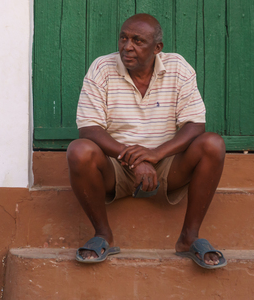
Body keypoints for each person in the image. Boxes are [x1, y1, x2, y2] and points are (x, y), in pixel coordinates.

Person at [67, 13, 226, 269]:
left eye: (138, 41)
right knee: (79, 150)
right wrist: (135, 158)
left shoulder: (178, 68)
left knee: (212, 144)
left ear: (157, 48)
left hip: (167, 165)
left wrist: (156, 154)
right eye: (123, 38)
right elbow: (89, 130)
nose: (127, 47)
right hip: (114, 166)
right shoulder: (101, 68)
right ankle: (102, 234)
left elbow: (195, 125)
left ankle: (189, 237)